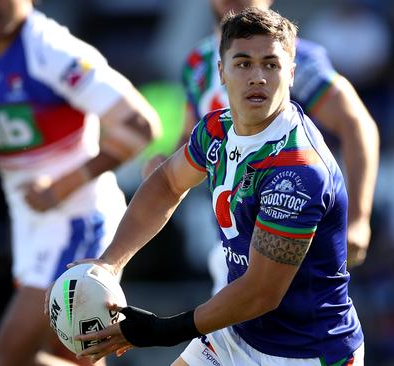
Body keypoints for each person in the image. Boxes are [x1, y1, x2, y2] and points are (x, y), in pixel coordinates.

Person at [71, 7, 364, 365]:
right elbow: (166, 182)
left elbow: (260, 293)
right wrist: (110, 263)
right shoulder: (215, 130)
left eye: (270, 64)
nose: (257, 77)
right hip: (238, 332)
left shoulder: (297, 172)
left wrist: (162, 331)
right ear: (221, 72)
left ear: (291, 73)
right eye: (243, 63)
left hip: (305, 352)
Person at [0, 1, 160, 365]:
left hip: (80, 218)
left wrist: (61, 186)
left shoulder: (53, 50)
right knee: (79, 355)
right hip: (32, 226)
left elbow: (141, 126)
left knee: (11, 353)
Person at [147, 0, 379, 279]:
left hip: (296, 236)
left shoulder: (295, 57)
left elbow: (357, 124)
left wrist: (358, 219)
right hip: (230, 243)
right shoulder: (198, 61)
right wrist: (165, 171)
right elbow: (192, 140)